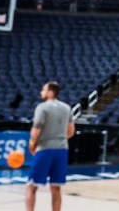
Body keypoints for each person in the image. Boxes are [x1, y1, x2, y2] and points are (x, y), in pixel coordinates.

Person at [26, 81, 75, 211]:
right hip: (62, 150)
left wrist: (32, 143)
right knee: (56, 188)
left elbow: (36, 129)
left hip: (45, 149)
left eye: (43, 90)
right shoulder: (67, 108)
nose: (41, 92)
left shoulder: (42, 107)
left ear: (50, 92)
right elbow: (71, 132)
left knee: (31, 186)